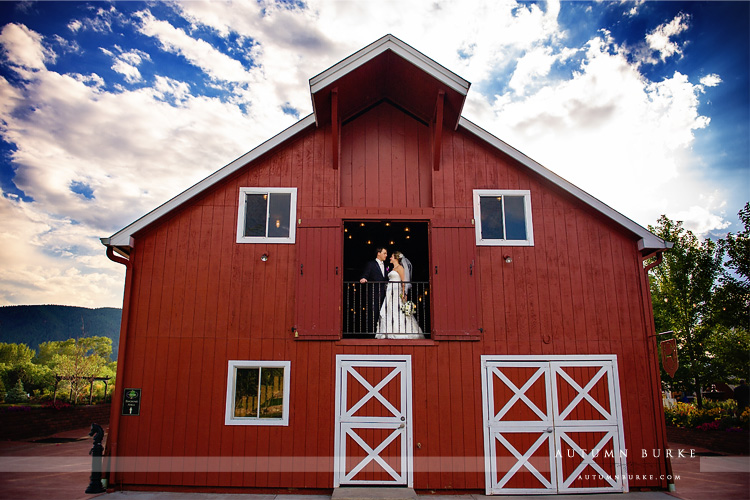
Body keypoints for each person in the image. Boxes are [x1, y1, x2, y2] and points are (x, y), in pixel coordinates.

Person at [375, 251, 424, 339]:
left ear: (396, 258)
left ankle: (400, 331)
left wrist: (404, 293)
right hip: (390, 292)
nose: (390, 258)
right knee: (389, 309)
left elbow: (404, 282)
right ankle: (388, 331)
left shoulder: (400, 268)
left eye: (392, 257)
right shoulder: (393, 268)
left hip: (397, 291)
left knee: (397, 309)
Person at [359, 247, 389, 335]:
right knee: (373, 313)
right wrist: (363, 278)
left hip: (385, 293)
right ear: (378, 253)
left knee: (383, 314)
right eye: (384, 253)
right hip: (374, 293)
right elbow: (366, 274)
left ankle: (381, 332)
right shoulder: (371, 264)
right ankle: (371, 333)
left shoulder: (387, 265)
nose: (386, 255)